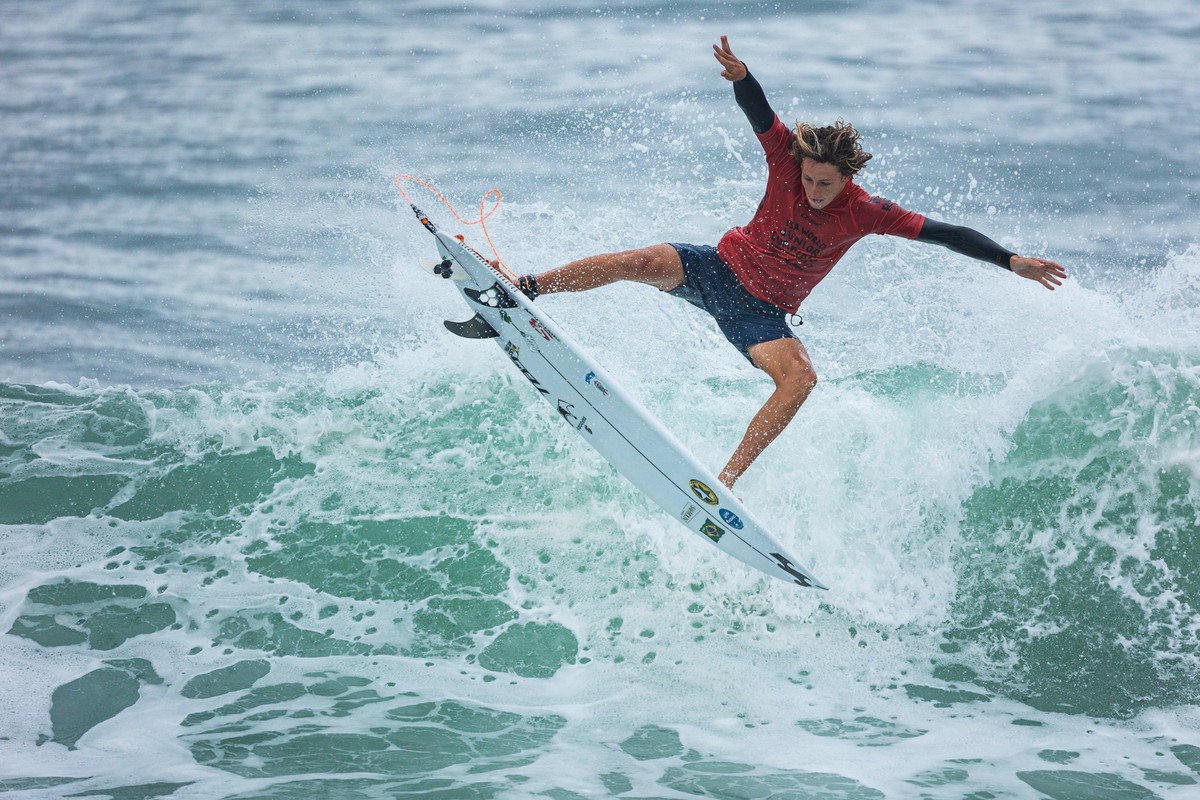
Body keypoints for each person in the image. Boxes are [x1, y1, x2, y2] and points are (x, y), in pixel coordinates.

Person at [515, 35, 1067, 490]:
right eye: (808, 180)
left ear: (847, 178)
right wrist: (743, 77)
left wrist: (1009, 260)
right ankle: (525, 287)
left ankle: (724, 483)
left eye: (825, 184)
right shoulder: (786, 160)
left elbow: (946, 234)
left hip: (760, 314)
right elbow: (761, 114)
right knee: (642, 258)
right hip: (717, 268)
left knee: (801, 378)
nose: (814, 191)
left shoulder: (868, 211)